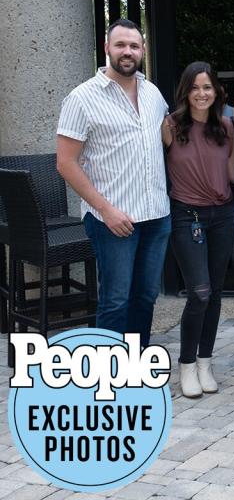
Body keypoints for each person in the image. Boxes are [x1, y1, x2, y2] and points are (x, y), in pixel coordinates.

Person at [56, 18, 171, 345]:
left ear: (143, 51)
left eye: (134, 45)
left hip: (156, 215)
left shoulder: (153, 94)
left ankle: (136, 365)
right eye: (120, 44)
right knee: (115, 301)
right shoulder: (82, 98)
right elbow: (65, 163)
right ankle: (109, 374)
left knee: (145, 298)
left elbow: (168, 139)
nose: (127, 51)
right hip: (113, 220)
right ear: (107, 48)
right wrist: (106, 210)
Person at [162, 62, 234, 398]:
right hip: (185, 215)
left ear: (216, 91)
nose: (202, 94)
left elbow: (233, 173)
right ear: (186, 91)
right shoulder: (171, 126)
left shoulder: (226, 126)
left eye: (207, 87)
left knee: (216, 292)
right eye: (195, 87)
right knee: (200, 293)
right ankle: (187, 365)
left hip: (222, 215)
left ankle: (206, 363)